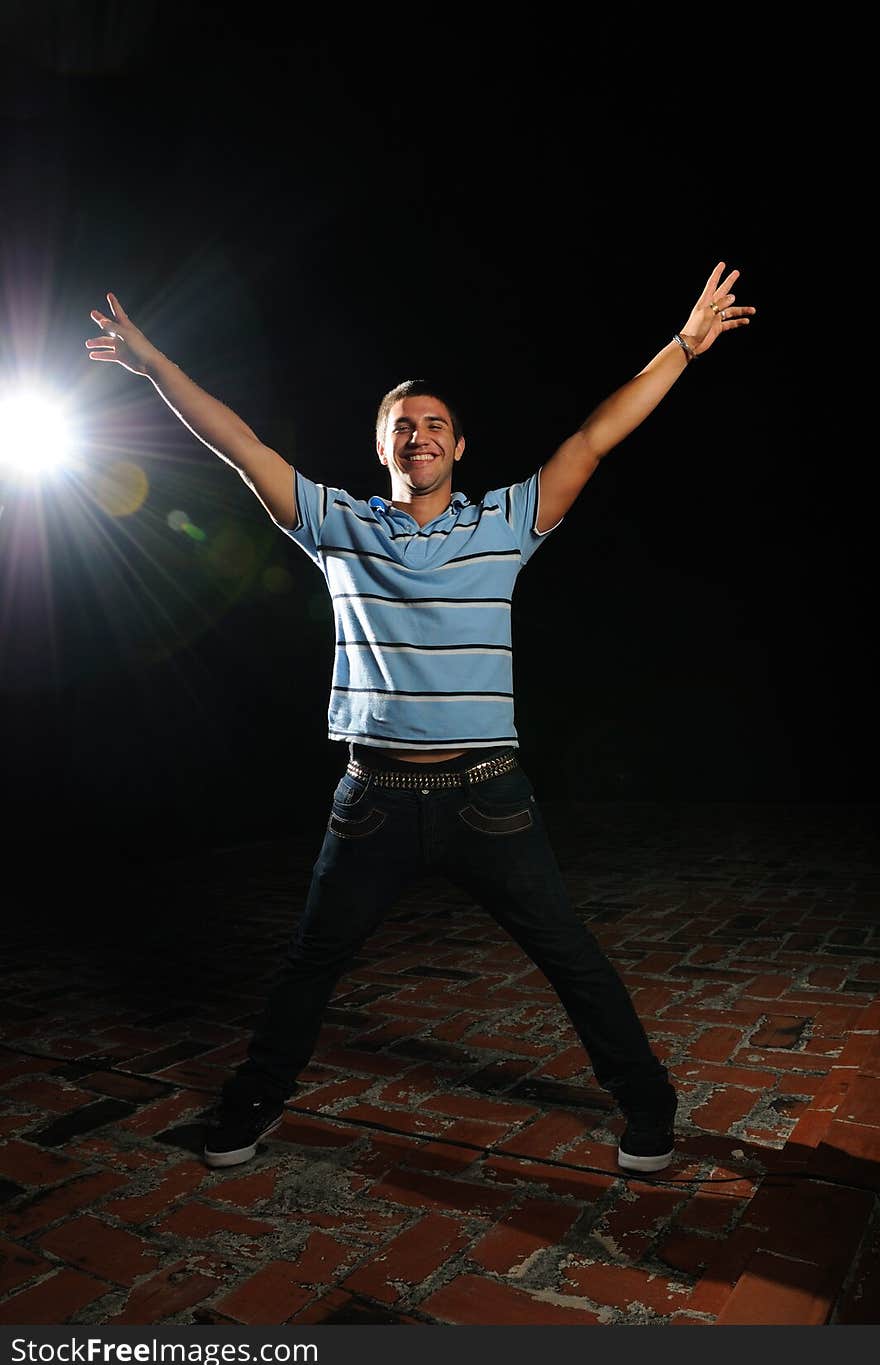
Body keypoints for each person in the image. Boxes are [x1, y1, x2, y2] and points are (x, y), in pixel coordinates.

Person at [86, 263, 755, 1174]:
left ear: (460, 446)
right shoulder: (335, 526)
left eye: (435, 424)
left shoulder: (508, 524)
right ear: (383, 450)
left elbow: (595, 438)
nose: (420, 435)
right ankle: (252, 1101)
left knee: (572, 959)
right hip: (372, 801)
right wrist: (157, 365)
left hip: (490, 799)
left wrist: (682, 345)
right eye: (402, 426)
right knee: (308, 964)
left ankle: (648, 1102)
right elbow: (240, 444)